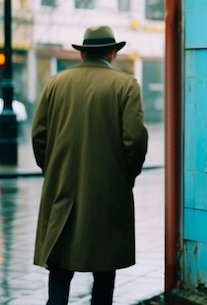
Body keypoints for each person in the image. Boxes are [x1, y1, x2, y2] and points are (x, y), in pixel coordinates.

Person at [31, 26, 149, 305]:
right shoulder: (125, 85)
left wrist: (53, 170)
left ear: (82, 53)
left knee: (59, 263)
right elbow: (134, 140)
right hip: (108, 191)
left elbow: (39, 136)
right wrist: (124, 177)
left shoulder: (55, 83)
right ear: (113, 52)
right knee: (104, 268)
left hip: (62, 187)